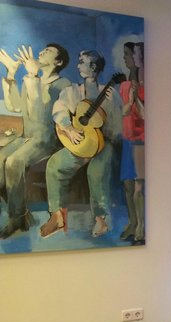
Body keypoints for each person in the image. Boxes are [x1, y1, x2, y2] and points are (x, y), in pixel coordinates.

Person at [39, 50, 122, 238]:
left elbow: (117, 129)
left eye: (82, 62)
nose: (78, 66)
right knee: (54, 164)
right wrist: (69, 128)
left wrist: (110, 111)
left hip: (102, 144)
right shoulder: (73, 91)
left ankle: (101, 220)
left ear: (93, 66)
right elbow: (59, 109)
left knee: (96, 172)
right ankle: (57, 217)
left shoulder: (109, 94)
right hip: (79, 142)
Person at [0, 44, 70, 239]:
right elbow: (15, 106)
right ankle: (22, 215)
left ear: (58, 62)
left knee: (14, 162)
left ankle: (17, 219)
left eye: (49, 51)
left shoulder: (63, 85)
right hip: (28, 137)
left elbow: (40, 114)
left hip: (47, 139)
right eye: (43, 49)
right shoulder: (31, 79)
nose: (42, 52)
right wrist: (11, 74)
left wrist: (32, 77)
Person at [119, 42, 145, 244]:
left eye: (130, 54)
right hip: (127, 139)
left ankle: (141, 225)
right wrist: (130, 100)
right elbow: (124, 111)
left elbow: (144, 115)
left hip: (140, 141)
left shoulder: (145, 86)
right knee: (128, 186)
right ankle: (133, 222)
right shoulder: (126, 85)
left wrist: (135, 99)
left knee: (138, 188)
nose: (127, 58)